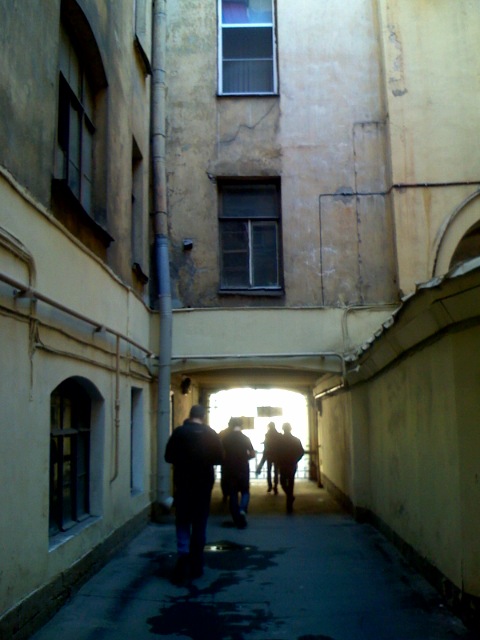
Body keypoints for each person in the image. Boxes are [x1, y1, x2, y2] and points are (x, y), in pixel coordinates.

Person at [164, 404, 224, 584]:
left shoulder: (179, 433)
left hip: (183, 484)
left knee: (182, 520)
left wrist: (183, 460)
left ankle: (183, 558)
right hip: (203, 485)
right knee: (200, 523)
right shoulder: (211, 434)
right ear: (203, 416)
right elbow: (220, 458)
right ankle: (197, 563)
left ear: (190, 415)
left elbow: (168, 457)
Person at [221, 417, 255, 529]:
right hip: (243, 468)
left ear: (230, 425)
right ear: (241, 426)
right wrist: (245, 458)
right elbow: (252, 454)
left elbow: (221, 454)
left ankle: (236, 517)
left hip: (230, 469)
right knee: (245, 491)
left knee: (233, 493)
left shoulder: (225, 439)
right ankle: (242, 510)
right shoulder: (245, 438)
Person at [277, 422, 305, 513]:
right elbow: (301, 452)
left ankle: (289, 497)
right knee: (291, 482)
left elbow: (276, 452)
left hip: (283, 464)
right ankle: (289, 502)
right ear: (290, 429)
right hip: (292, 464)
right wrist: (296, 459)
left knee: (282, 482)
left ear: (283, 429)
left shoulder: (279, 441)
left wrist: (278, 462)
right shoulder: (296, 440)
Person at [255, 421, 282, 494]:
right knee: (276, 472)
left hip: (269, 455)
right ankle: (275, 486)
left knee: (269, 471)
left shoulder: (267, 434)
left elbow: (267, 445)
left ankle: (270, 486)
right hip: (276, 456)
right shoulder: (278, 435)